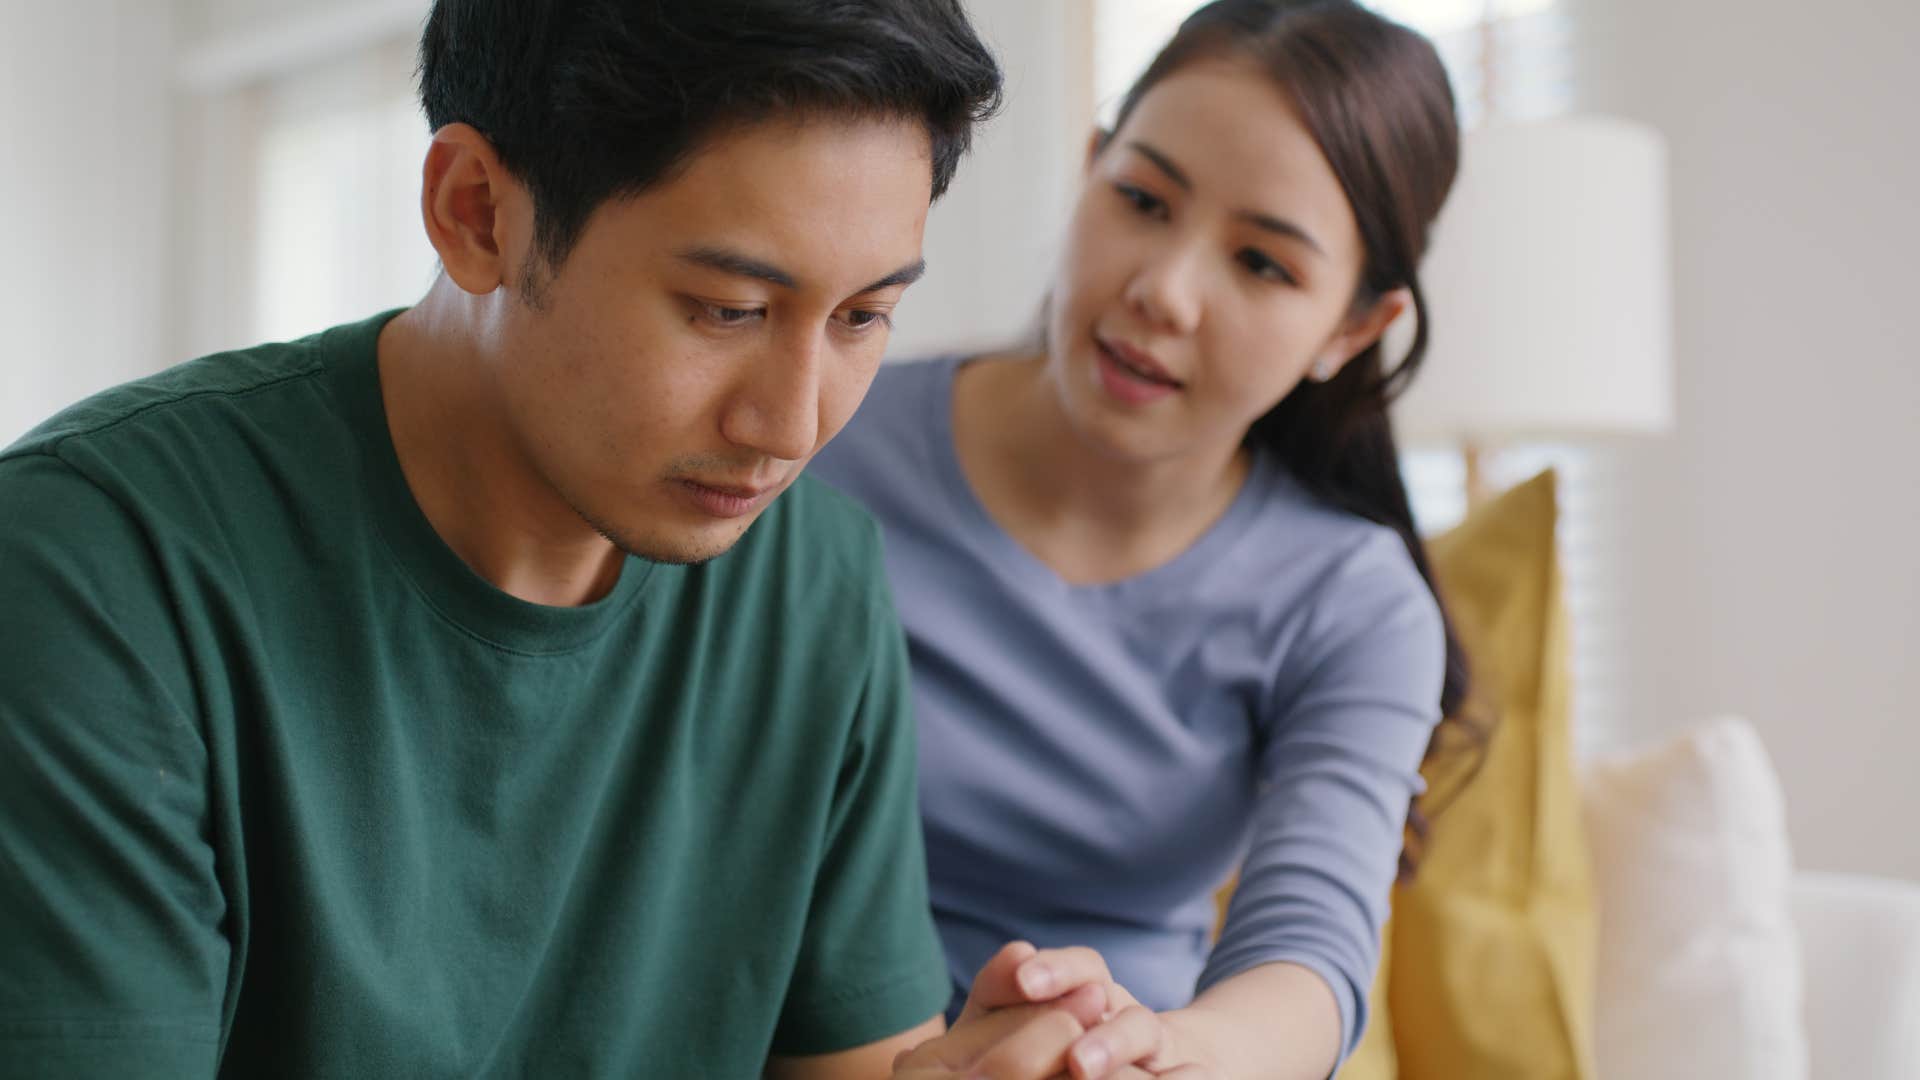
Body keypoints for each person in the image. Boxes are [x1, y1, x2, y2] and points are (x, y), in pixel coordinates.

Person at [0, 2, 1150, 1076]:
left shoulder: (816, 583)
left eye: (864, 317)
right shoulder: (95, 569)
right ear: (477, 213)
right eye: (729, 310)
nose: (791, 427)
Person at [808, 1, 1476, 1076]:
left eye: (1262, 264)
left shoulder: (1351, 602)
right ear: (1089, 169)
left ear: (1353, 329)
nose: (1163, 291)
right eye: (1143, 200)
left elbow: (1308, 959)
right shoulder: (815, 434)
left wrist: (1157, 1050)